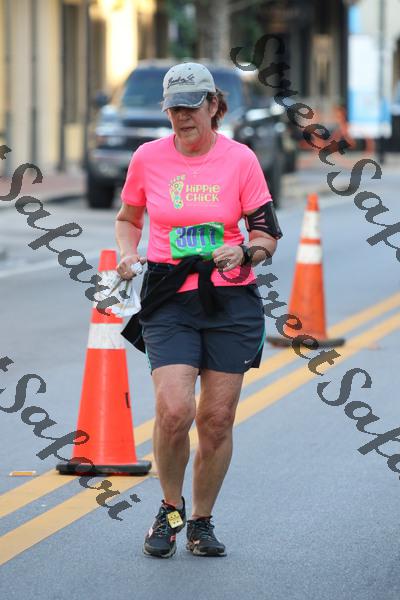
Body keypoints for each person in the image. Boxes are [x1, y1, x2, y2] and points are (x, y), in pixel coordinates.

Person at [115, 62, 282, 558]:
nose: (183, 116)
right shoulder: (147, 158)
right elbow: (129, 217)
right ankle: (170, 510)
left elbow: (266, 233)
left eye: (192, 106)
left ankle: (201, 521)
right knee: (174, 411)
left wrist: (246, 252)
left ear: (213, 106)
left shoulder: (240, 160)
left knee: (216, 419)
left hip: (229, 298)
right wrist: (127, 251)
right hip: (169, 296)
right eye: (175, 108)